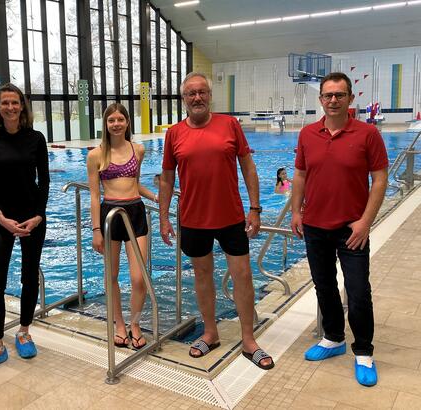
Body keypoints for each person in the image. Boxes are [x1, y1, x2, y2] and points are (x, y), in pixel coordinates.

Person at [159, 72, 274, 370]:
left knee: (243, 276)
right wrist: (163, 217)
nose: (197, 97)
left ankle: (249, 339)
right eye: (190, 93)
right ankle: (211, 333)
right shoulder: (174, 133)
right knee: (202, 277)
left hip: (231, 216)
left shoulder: (229, 124)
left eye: (202, 92)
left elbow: (248, 166)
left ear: (210, 96)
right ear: (183, 99)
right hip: (193, 218)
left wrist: (255, 208)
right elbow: (168, 179)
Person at [290, 72, 388, 387]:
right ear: (320, 99)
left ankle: (363, 351)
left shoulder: (367, 134)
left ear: (350, 98)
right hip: (315, 226)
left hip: (352, 228)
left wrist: (365, 222)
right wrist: (296, 211)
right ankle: (333, 338)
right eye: (328, 95)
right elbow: (301, 175)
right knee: (324, 286)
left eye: (339, 95)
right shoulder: (307, 134)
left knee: (359, 292)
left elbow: (380, 178)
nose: (333, 100)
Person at [0, 83, 50, 376]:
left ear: (22, 106)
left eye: (15, 102)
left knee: (29, 277)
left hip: (32, 218)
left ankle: (24, 331)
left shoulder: (37, 139)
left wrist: (39, 216)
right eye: (5, 103)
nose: (10, 107)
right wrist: (0, 216)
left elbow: (44, 181)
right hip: (2, 219)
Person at [87, 103, 157, 350]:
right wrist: (96, 230)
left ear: (128, 122)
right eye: (111, 120)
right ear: (105, 125)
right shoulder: (96, 155)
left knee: (139, 278)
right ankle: (119, 324)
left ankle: (135, 324)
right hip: (110, 216)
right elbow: (95, 196)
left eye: (120, 119)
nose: (116, 124)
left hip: (136, 213)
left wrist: (156, 197)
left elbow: (134, 184)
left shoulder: (138, 150)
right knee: (113, 275)